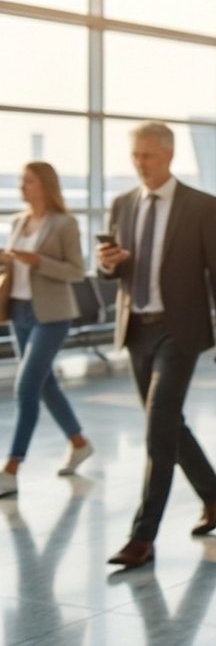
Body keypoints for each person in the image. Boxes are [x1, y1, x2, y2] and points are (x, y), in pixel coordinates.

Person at [96, 121, 216, 569]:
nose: (141, 164)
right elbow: (112, 271)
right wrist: (106, 265)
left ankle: (143, 536)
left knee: (158, 423)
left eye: (149, 156)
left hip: (180, 330)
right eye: (136, 156)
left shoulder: (200, 206)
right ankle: (214, 492)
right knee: (168, 424)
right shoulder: (122, 205)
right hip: (137, 327)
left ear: (169, 156)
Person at [0, 162, 93, 500]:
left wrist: (38, 261)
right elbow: (15, 266)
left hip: (51, 315)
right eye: (21, 180)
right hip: (19, 311)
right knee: (45, 384)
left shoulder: (64, 223)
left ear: (45, 185)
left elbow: (77, 271)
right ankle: (79, 443)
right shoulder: (18, 221)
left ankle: (11, 468)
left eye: (28, 180)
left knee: (26, 388)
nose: (21, 186)